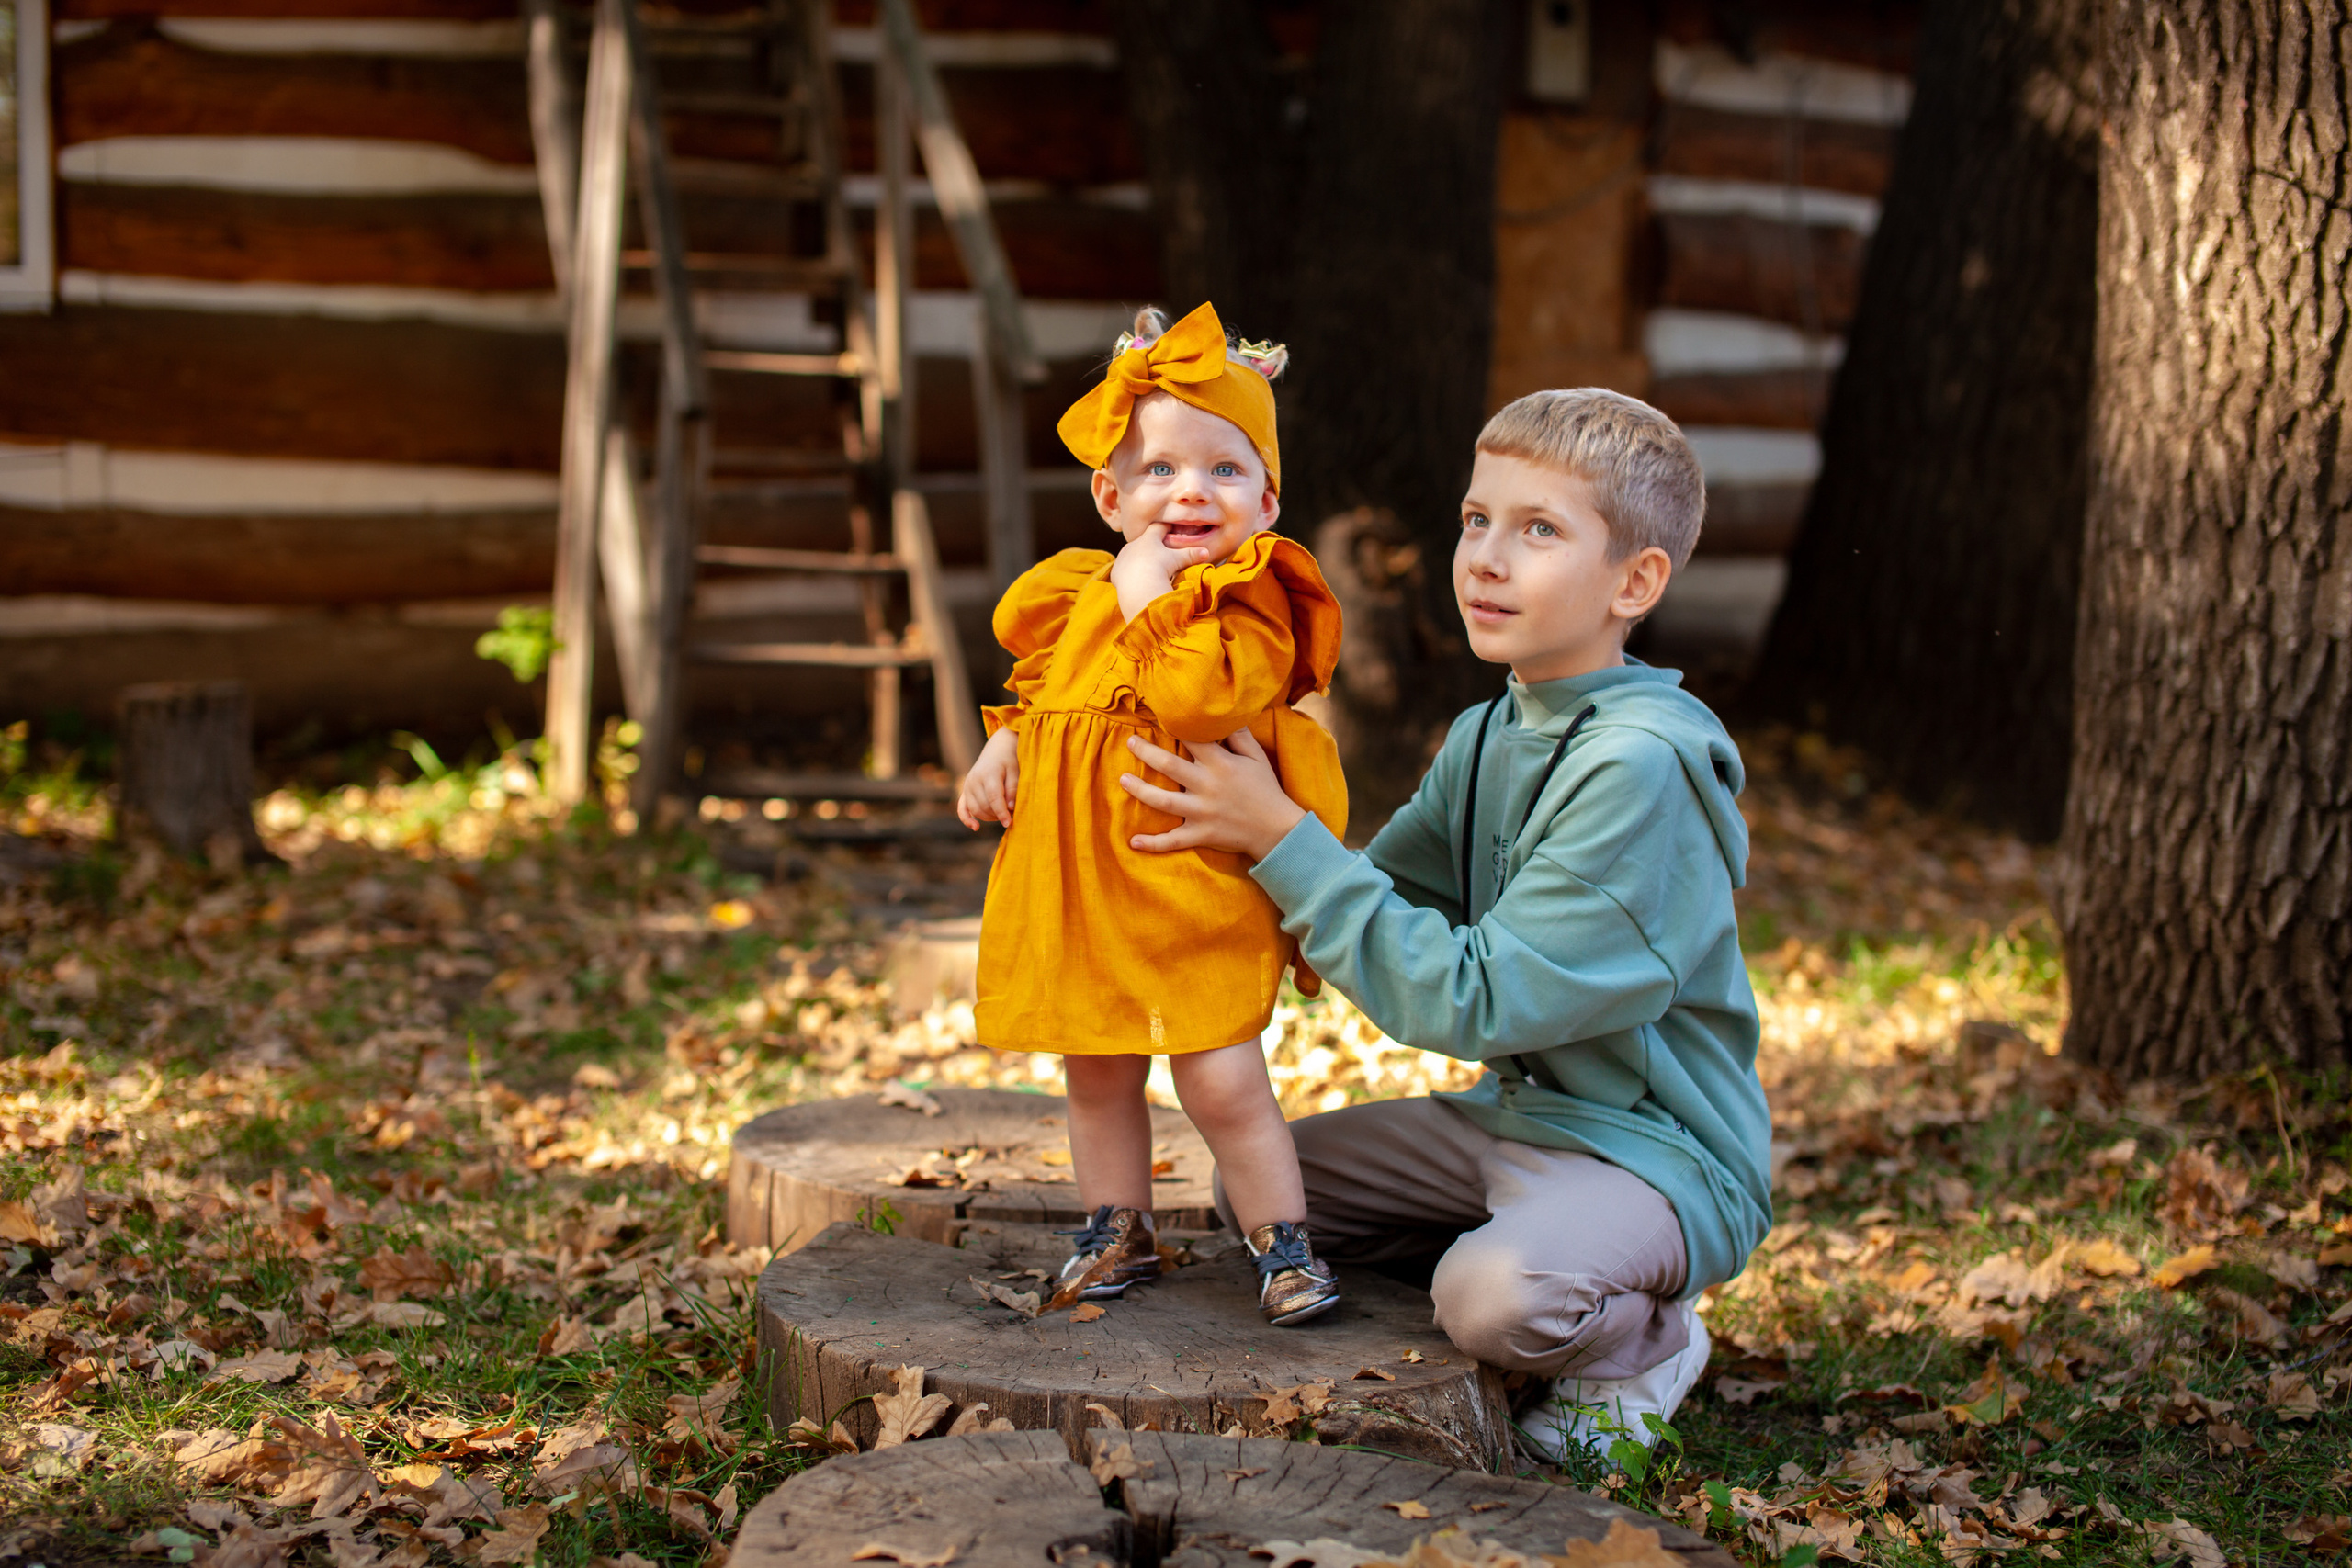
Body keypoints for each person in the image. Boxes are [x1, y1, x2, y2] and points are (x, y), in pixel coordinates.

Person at [1112, 388, 1773, 1458]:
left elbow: (1474, 998)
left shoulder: (1639, 768)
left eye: (1538, 530)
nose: (1486, 560)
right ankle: (1537, 1246)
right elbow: (1375, 891)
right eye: (1476, 520)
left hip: (1657, 1154)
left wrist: (1278, 835)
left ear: (1634, 583)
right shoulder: (1491, 729)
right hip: (1515, 1121)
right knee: (1259, 1198)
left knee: (1493, 1300)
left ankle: (1646, 1340)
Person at [956, 301, 1351, 1326]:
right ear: (1110, 493)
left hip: (1188, 882)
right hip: (1088, 888)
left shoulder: (1248, 595)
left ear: (1266, 498)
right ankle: (1116, 1227)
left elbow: (1199, 700)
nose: (1191, 491)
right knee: (1096, 1072)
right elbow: (1052, 690)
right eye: (1160, 469)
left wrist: (1148, 594)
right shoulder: (1085, 591)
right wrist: (1006, 743)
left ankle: (1283, 1244)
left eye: (1225, 469)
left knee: (1219, 1078)